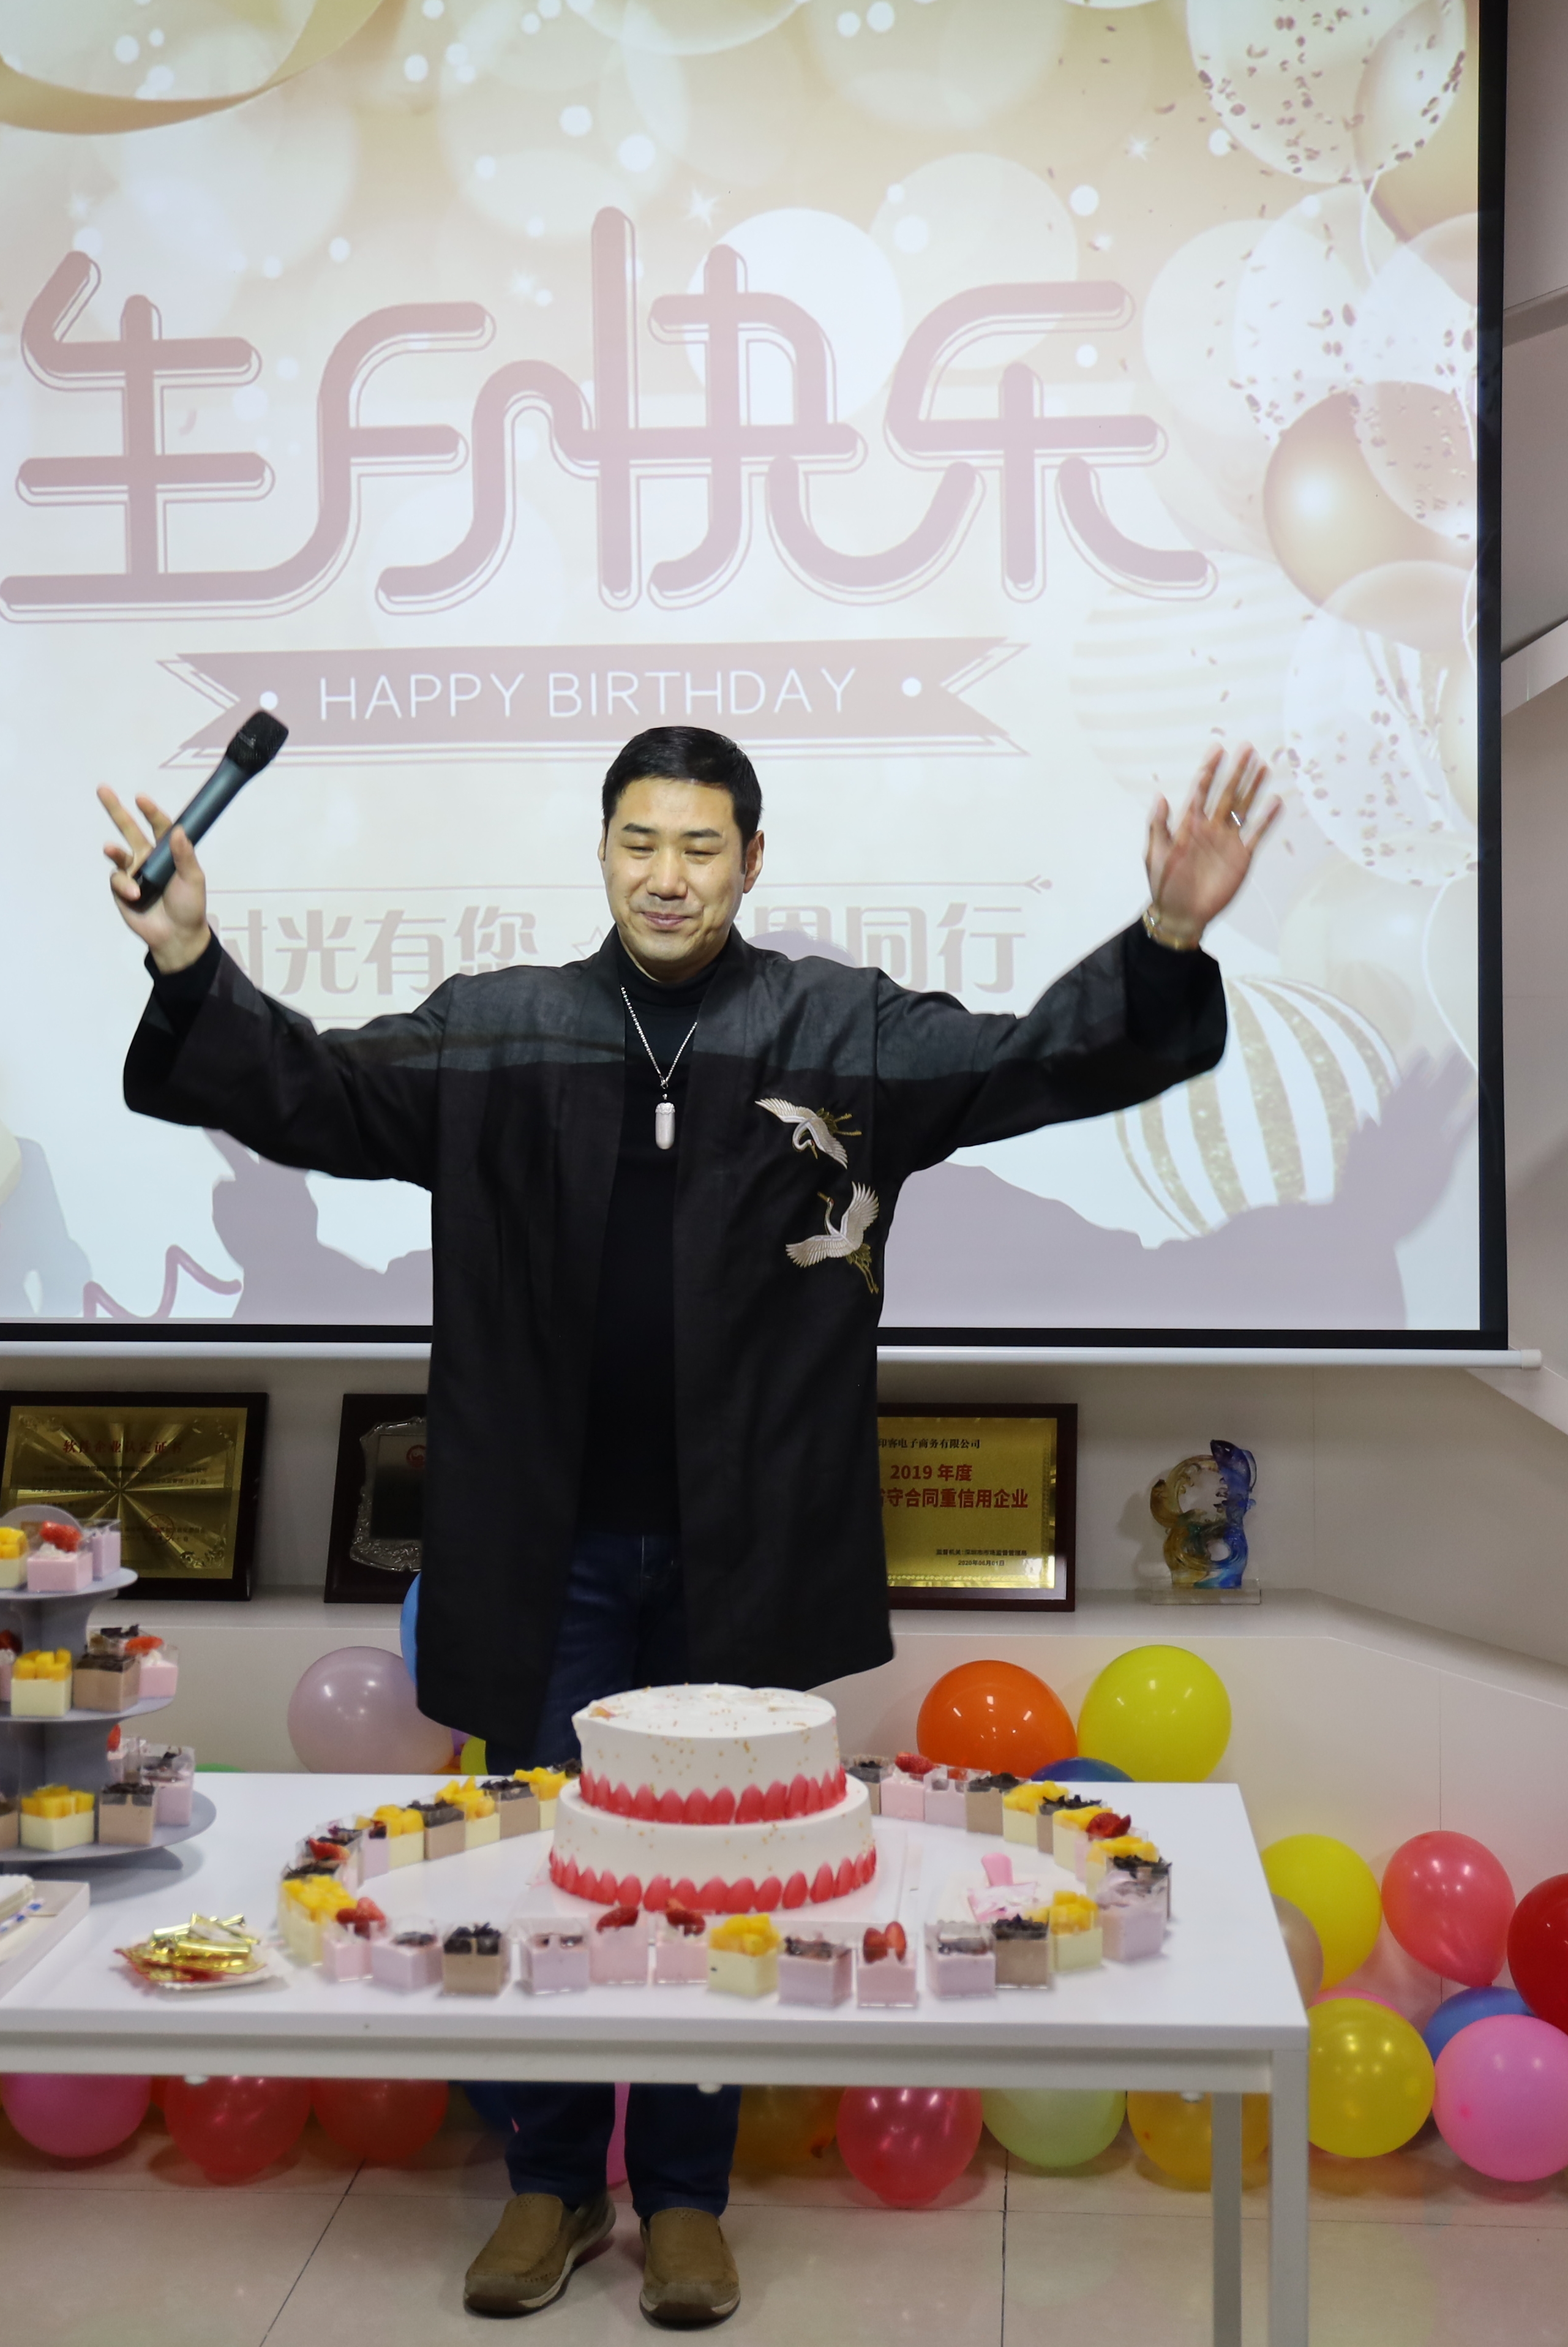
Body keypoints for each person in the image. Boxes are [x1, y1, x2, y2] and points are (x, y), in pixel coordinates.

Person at [100, 726, 1275, 2326]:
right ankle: (547, 2181)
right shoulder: (502, 1028)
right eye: (640, 843)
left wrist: (1167, 938)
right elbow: (314, 1090)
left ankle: (685, 2198)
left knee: (719, 1872)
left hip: (744, 1538)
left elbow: (1023, 1062)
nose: (668, 876)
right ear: (603, 854)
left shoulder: (837, 1027)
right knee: (547, 1866)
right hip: (550, 1546)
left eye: (701, 847)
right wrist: (189, 961)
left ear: (751, 861)